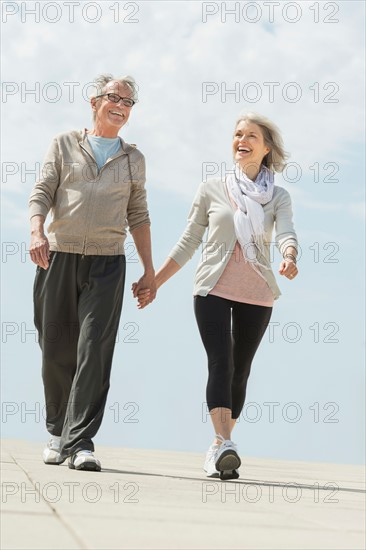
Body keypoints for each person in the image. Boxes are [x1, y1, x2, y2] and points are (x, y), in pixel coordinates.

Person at [134, 113, 298, 480]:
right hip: (212, 290)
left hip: (257, 292)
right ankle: (223, 443)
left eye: (251, 135)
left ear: (266, 147)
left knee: (241, 370)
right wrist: (156, 281)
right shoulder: (211, 188)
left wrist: (289, 256)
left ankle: (219, 446)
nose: (241, 139)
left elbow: (287, 232)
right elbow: (189, 241)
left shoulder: (279, 197)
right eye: (237, 134)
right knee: (220, 362)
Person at [29, 73, 156, 471]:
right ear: (94, 101)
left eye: (129, 101)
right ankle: (57, 431)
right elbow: (43, 191)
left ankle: (81, 441)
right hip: (58, 257)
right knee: (56, 348)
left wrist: (149, 270)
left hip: (107, 264)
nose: (122, 105)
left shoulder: (133, 158)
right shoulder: (65, 144)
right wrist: (36, 230)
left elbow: (139, 215)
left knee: (93, 351)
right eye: (115, 97)